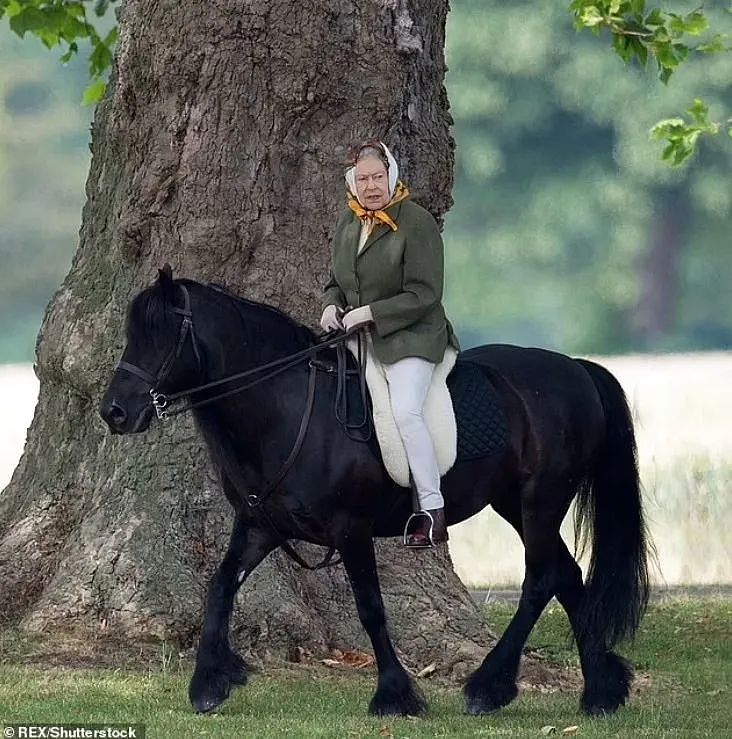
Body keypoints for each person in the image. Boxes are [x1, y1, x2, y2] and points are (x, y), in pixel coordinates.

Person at [320, 140, 460, 547]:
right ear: (353, 182)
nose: (371, 186)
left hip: (412, 337)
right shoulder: (349, 224)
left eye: (377, 177)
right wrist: (332, 306)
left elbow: (424, 293)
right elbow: (336, 283)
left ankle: (433, 511)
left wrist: (372, 314)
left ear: (391, 175)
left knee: (405, 412)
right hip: (361, 340)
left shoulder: (415, 222)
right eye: (362, 179)